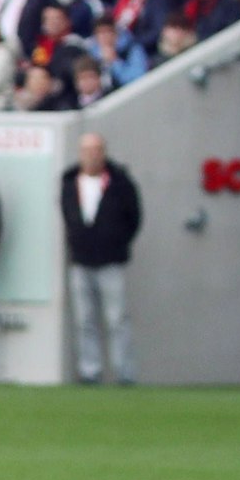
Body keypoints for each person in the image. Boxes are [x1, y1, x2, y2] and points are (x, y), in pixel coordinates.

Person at [60, 133, 143, 386]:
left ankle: (124, 372)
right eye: (87, 150)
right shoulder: (70, 181)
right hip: (81, 260)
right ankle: (90, 371)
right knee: (85, 320)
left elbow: (134, 218)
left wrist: (117, 241)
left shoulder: (120, 182)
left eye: (96, 150)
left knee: (117, 318)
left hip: (111, 260)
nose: (92, 155)